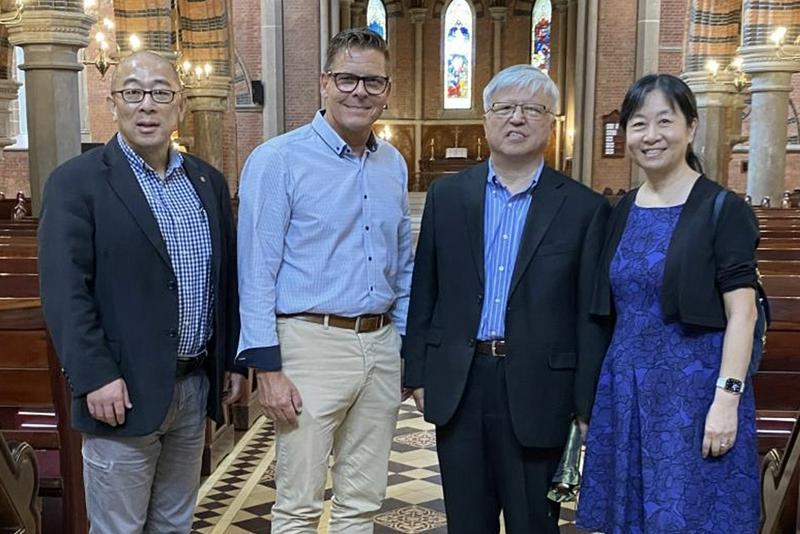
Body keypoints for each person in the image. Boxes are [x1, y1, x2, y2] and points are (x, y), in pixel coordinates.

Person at [38, 50, 244, 534]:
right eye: (132, 92)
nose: (146, 105)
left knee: (174, 523)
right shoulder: (77, 183)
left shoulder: (205, 182)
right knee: (119, 528)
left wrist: (229, 360)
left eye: (160, 93)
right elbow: (66, 293)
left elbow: (226, 279)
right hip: (121, 392)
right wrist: (94, 377)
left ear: (181, 105)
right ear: (113, 103)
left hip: (192, 387)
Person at [402, 64, 610, 534]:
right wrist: (417, 373)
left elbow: (588, 313)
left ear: (551, 121)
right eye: (504, 108)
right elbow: (425, 289)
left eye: (532, 109)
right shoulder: (447, 195)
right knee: (466, 522)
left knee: (533, 522)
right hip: (460, 380)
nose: (517, 118)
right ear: (485, 118)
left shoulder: (584, 207)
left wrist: (585, 404)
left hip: (542, 388)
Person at [236, 28, 413, 533]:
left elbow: (402, 263)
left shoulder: (392, 165)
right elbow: (256, 271)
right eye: (347, 78)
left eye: (372, 82)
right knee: (298, 504)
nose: (359, 91)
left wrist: (399, 344)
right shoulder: (278, 160)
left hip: (379, 345)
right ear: (324, 83)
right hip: (309, 343)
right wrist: (266, 369)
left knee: (362, 500)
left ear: (387, 89)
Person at [576, 74, 761, 533]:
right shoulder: (622, 209)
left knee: (688, 516)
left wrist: (727, 399)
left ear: (691, 127)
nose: (650, 135)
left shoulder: (722, 208)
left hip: (693, 395)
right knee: (632, 517)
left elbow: (744, 313)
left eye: (665, 121)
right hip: (626, 387)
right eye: (638, 124)